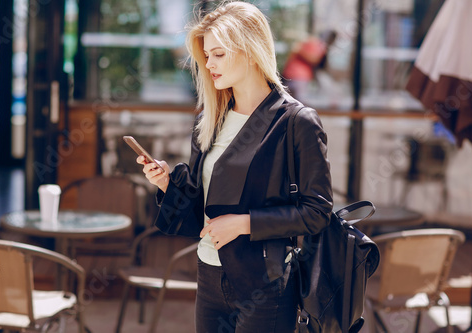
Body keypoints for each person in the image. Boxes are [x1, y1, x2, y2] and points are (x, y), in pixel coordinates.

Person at [137, 2, 332, 332]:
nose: (209, 65)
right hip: (209, 274)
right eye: (206, 56)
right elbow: (199, 208)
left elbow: (317, 212)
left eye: (218, 54)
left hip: (264, 284)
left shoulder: (296, 122)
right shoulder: (209, 120)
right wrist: (168, 184)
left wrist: (244, 224)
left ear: (250, 50)